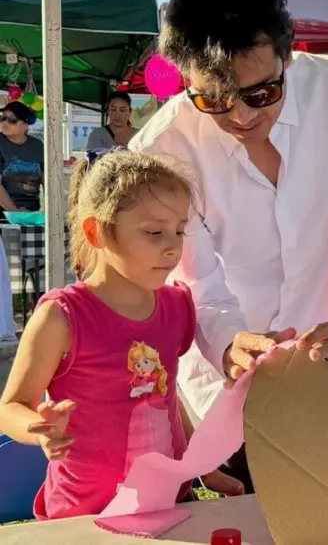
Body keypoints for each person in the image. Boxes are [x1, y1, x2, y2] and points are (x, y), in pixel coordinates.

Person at [129, 0, 328, 491]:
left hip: (324, 360)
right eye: (214, 100)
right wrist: (227, 343)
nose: (242, 116)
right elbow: (198, 283)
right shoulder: (166, 148)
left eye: (261, 92)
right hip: (221, 381)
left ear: (288, 53)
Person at [0, 151, 242, 520]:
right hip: (83, 517)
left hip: (168, 505)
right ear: (97, 232)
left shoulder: (178, 305)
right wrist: (40, 430)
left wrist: (199, 468)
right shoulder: (61, 316)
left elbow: (165, 397)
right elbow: (10, 407)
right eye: (154, 232)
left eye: (179, 230)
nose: (173, 246)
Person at [0, 102, 44, 212]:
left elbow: (47, 180)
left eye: (12, 120)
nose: (5, 123)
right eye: (3, 118)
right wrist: (15, 212)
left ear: (25, 125)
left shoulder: (38, 146)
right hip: (4, 214)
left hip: (32, 212)